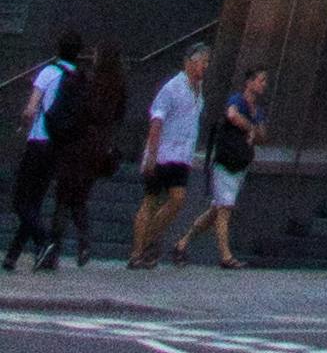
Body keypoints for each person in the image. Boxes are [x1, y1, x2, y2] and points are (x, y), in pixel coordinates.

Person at [130, 37, 211, 270]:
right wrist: (152, 155)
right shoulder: (172, 88)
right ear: (189, 62)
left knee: (177, 200)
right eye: (202, 62)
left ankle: (148, 241)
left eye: (206, 62)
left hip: (182, 155)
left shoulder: (199, 89)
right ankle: (138, 250)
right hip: (164, 152)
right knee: (151, 200)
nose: (204, 66)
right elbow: (157, 121)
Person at [44, 48, 130, 266]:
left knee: (63, 198)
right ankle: (83, 243)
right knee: (80, 197)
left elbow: (79, 111)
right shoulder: (119, 87)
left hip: (78, 145)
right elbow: (119, 117)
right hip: (99, 149)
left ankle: (53, 250)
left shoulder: (87, 82)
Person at [195, 65, 266, 267]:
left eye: (264, 81)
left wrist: (254, 130)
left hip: (240, 162)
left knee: (216, 210)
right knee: (225, 208)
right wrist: (250, 128)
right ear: (249, 82)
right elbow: (232, 115)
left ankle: (183, 243)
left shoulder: (257, 110)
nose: (263, 85)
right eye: (260, 80)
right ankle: (226, 256)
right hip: (226, 161)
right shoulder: (237, 100)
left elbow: (262, 136)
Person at [10, 41, 71, 271]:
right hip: (59, 147)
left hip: (39, 142)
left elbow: (30, 108)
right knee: (34, 202)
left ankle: (44, 240)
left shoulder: (49, 71)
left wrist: (24, 122)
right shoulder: (78, 77)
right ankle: (12, 256)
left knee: (20, 201)